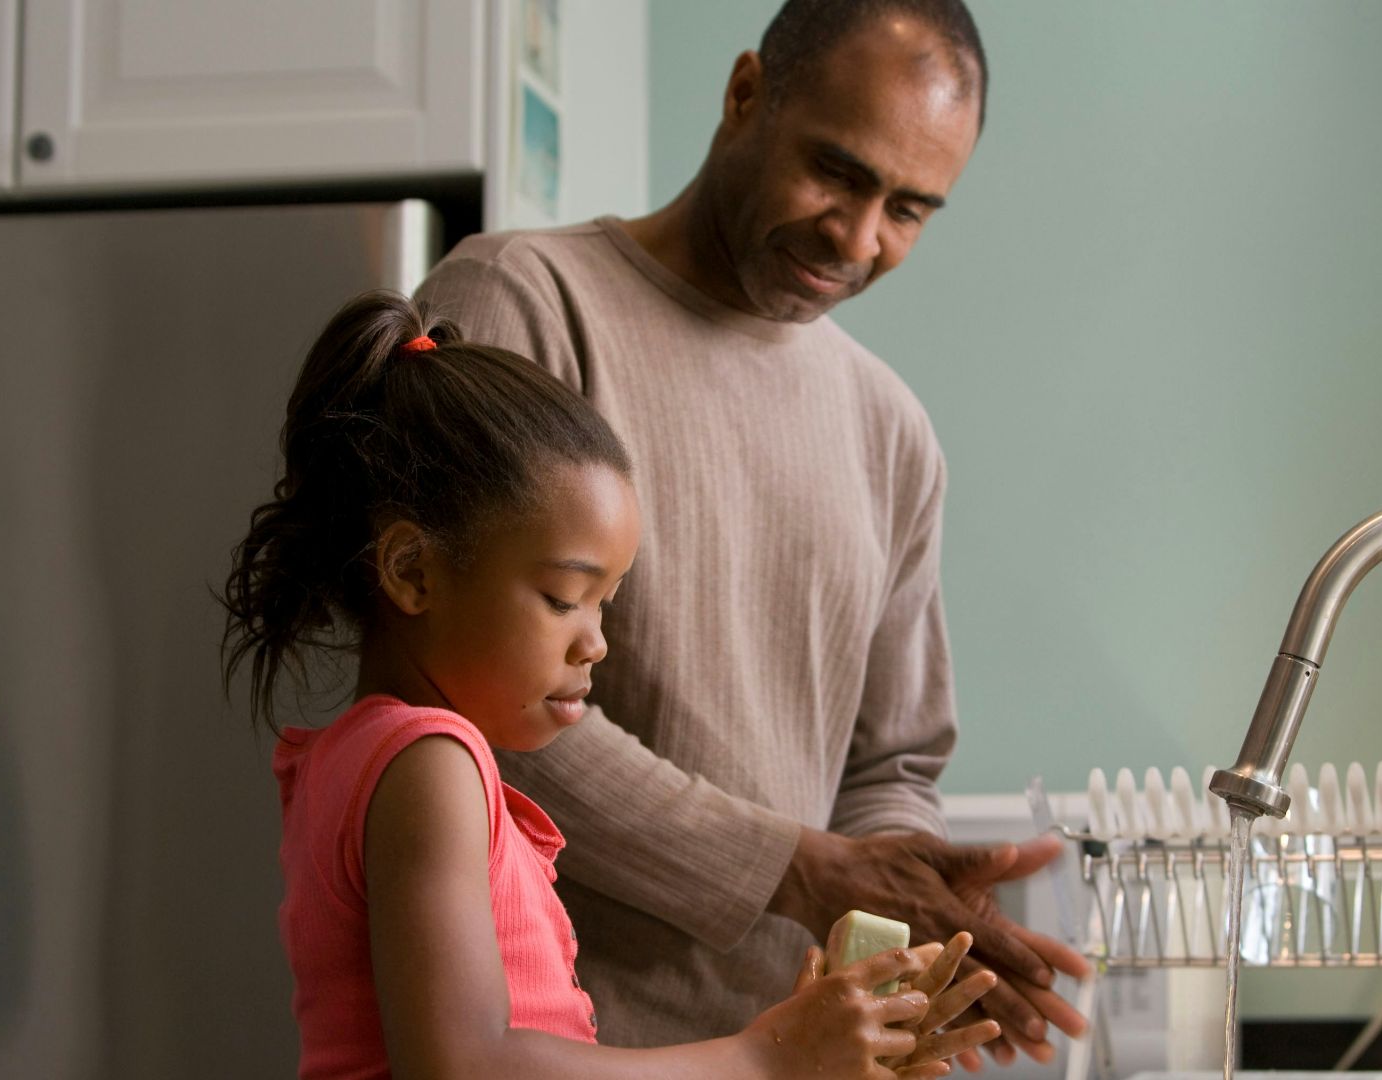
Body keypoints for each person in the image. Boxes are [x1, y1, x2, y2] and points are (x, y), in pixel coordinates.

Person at [413, 0, 1088, 1066]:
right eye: (838, 172)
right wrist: (798, 870)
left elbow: (891, 759)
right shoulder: (522, 303)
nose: (859, 239)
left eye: (910, 210)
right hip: (554, 1052)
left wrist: (908, 908)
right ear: (744, 98)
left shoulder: (891, 431)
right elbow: (459, 693)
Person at [221, 291, 1000, 1078]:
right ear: (412, 571)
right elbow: (467, 1064)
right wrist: (764, 1056)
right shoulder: (429, 762)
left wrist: (800, 1052)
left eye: (606, 603)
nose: (595, 643)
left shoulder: (369, 757)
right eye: (564, 598)